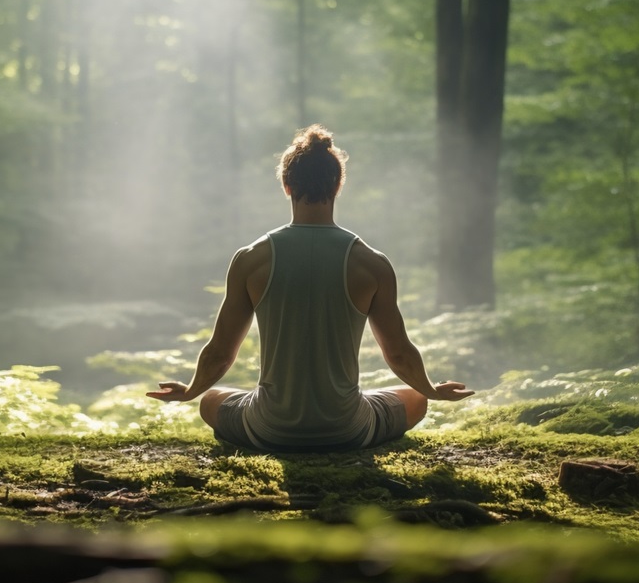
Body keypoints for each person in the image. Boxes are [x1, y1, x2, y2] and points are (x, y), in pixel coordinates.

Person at [147, 124, 473, 451]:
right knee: (416, 399)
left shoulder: (252, 259)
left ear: (287, 186)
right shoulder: (371, 263)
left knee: (212, 401)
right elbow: (399, 354)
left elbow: (220, 354)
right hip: (348, 429)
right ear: (338, 185)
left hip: (269, 429)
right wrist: (431, 390)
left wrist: (190, 391)